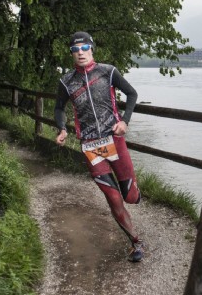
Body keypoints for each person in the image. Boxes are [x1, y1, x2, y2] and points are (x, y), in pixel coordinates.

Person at [54, 31, 144, 262]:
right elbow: (59, 108)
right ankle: (135, 242)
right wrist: (62, 129)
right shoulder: (66, 82)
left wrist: (125, 121)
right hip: (90, 146)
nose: (80, 53)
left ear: (92, 49)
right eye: (75, 49)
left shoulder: (108, 71)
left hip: (114, 140)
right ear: (71, 53)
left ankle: (134, 191)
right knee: (113, 198)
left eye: (85, 48)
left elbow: (132, 94)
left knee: (130, 197)